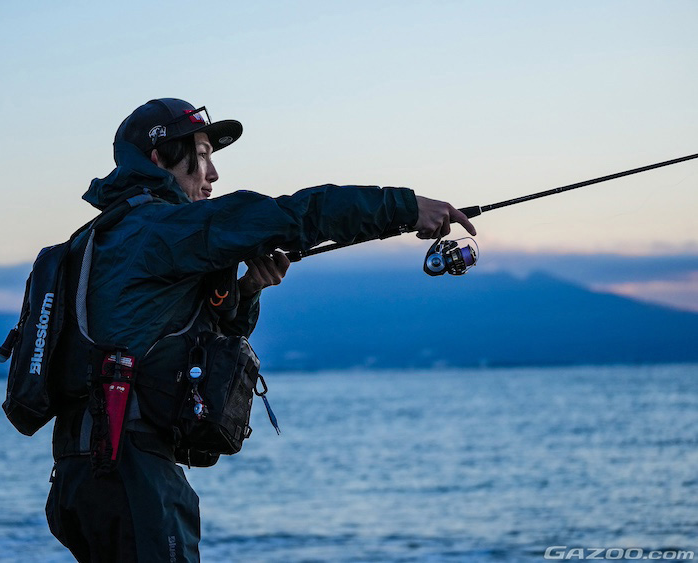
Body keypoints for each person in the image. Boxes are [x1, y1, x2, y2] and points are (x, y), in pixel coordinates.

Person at [45, 98, 476, 562]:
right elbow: (296, 215)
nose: (213, 175)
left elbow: (163, 336)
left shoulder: (98, 238)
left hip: (78, 475)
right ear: (160, 158)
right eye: (204, 154)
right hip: (133, 474)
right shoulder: (163, 227)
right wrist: (406, 208)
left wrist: (246, 290)